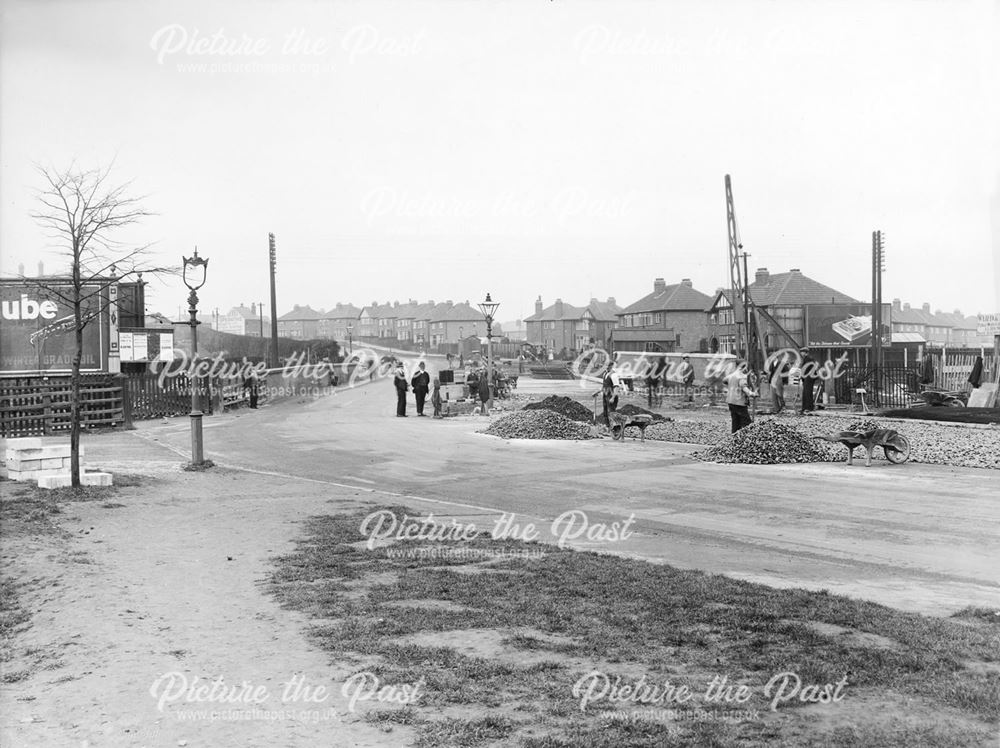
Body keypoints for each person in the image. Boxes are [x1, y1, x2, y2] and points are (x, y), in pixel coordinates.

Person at [726, 360, 757, 433]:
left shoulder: (732, 375)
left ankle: (734, 437)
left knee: (735, 421)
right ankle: (749, 437)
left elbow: (725, 381)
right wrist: (751, 393)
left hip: (731, 401)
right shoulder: (742, 376)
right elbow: (744, 387)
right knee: (746, 422)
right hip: (739, 402)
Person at [799, 347, 818, 413]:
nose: (801, 353)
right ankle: (806, 407)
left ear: (805, 352)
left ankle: (808, 407)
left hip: (809, 377)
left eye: (802, 352)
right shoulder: (807, 359)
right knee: (806, 392)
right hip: (808, 377)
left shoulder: (808, 359)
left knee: (807, 392)